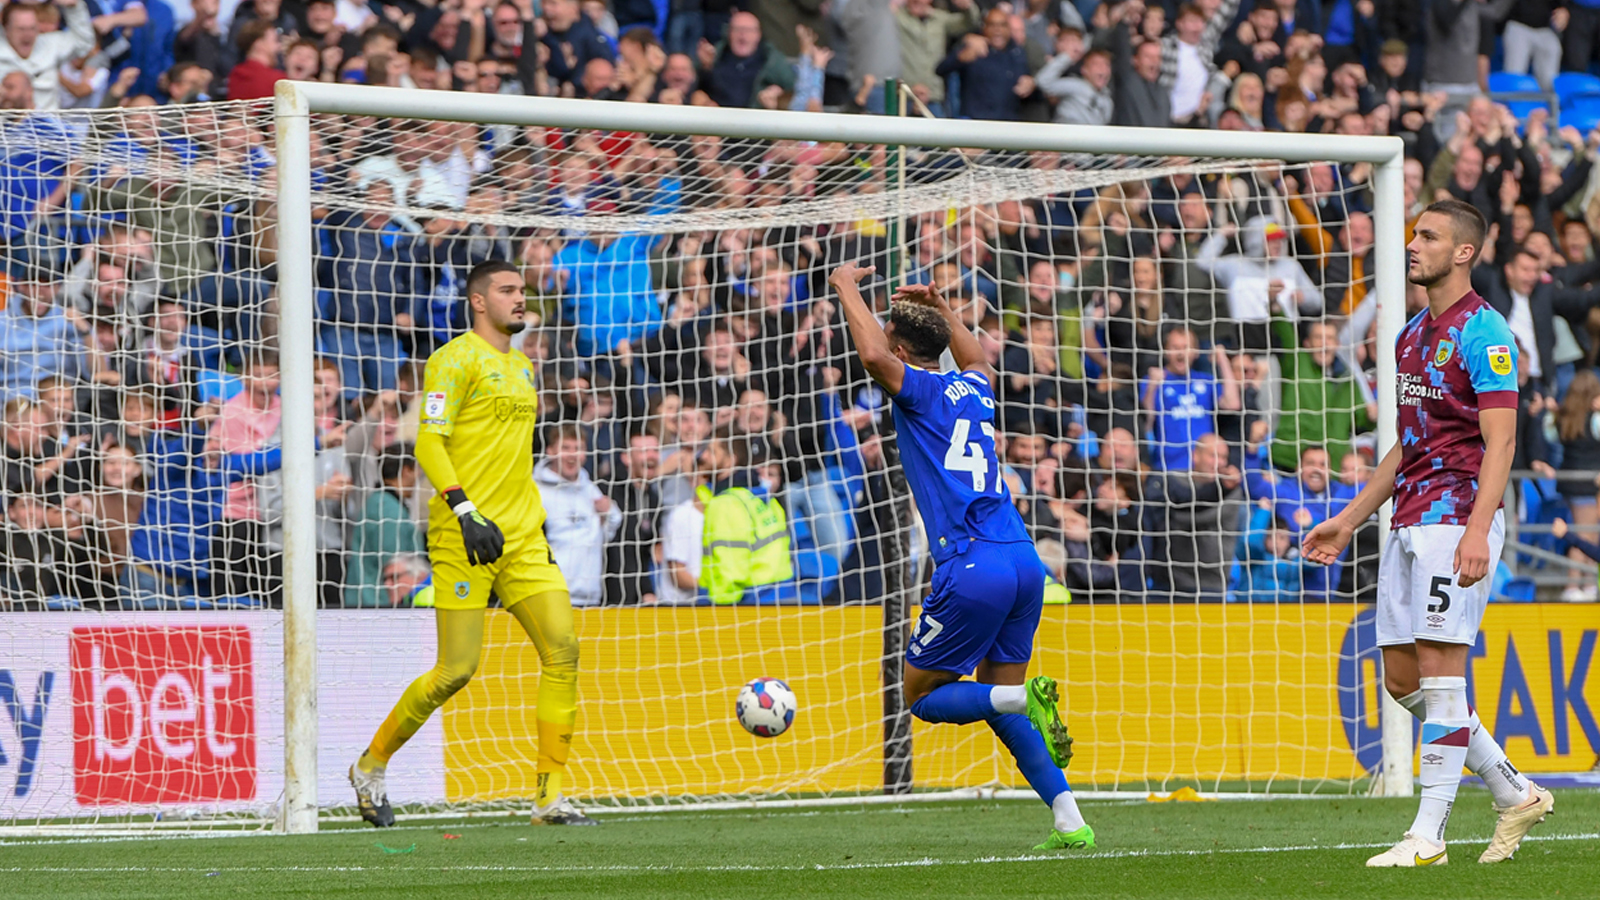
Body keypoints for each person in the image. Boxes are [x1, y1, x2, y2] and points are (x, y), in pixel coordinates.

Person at [1303, 199, 1553, 867]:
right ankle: (1513, 791)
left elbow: (1501, 443)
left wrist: (1478, 530)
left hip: (1457, 518)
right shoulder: (1409, 336)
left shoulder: (1487, 334)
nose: (1413, 245)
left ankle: (1428, 837)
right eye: (1414, 234)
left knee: (1444, 681)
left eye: (1428, 236)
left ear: (1463, 252)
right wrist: (1350, 517)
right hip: (1409, 515)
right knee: (1402, 680)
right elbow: (1404, 445)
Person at [831, 264, 1090, 852]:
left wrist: (847, 286)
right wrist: (945, 305)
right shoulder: (976, 386)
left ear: (901, 349)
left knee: (920, 694)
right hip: (1024, 560)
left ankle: (1028, 696)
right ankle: (1071, 821)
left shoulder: (917, 389)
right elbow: (976, 359)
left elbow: (872, 358)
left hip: (972, 565)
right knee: (999, 703)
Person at [349, 260, 594, 829]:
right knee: (456, 669)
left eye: (523, 292)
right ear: (479, 302)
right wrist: (464, 508)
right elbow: (428, 445)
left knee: (563, 650)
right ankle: (370, 764)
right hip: (464, 534)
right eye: (507, 291)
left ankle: (548, 798)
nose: (520, 300)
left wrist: (527, 526)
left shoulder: (524, 369)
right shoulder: (453, 360)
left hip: (523, 537)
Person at [535, 423, 622, 608]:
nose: (572, 455)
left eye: (578, 448)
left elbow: (606, 535)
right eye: (565, 448)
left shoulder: (589, 488)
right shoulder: (536, 492)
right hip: (550, 597)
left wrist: (609, 513)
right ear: (550, 451)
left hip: (591, 598)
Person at [344, 446, 424, 608]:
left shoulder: (380, 502)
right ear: (406, 470)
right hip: (377, 605)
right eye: (418, 469)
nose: (420, 476)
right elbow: (395, 569)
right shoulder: (388, 510)